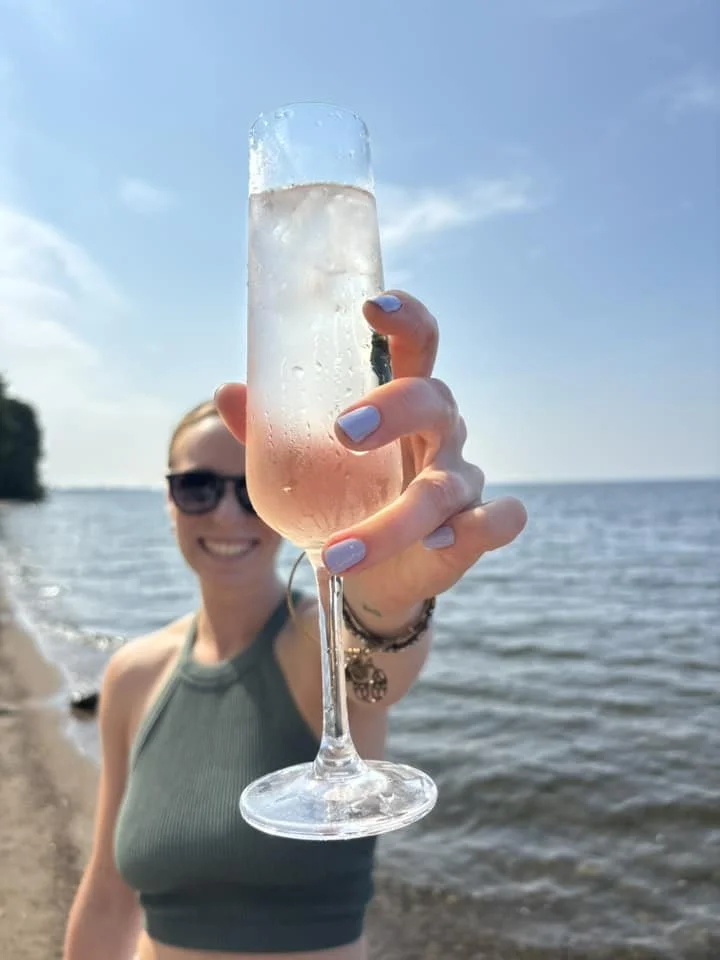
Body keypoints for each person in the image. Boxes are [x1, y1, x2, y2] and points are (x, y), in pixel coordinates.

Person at [63, 292, 527, 960]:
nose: (226, 515)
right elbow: (108, 894)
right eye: (197, 487)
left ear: (284, 491)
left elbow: (374, 665)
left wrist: (386, 602)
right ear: (168, 500)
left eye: (250, 490)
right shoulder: (132, 674)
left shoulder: (317, 645)